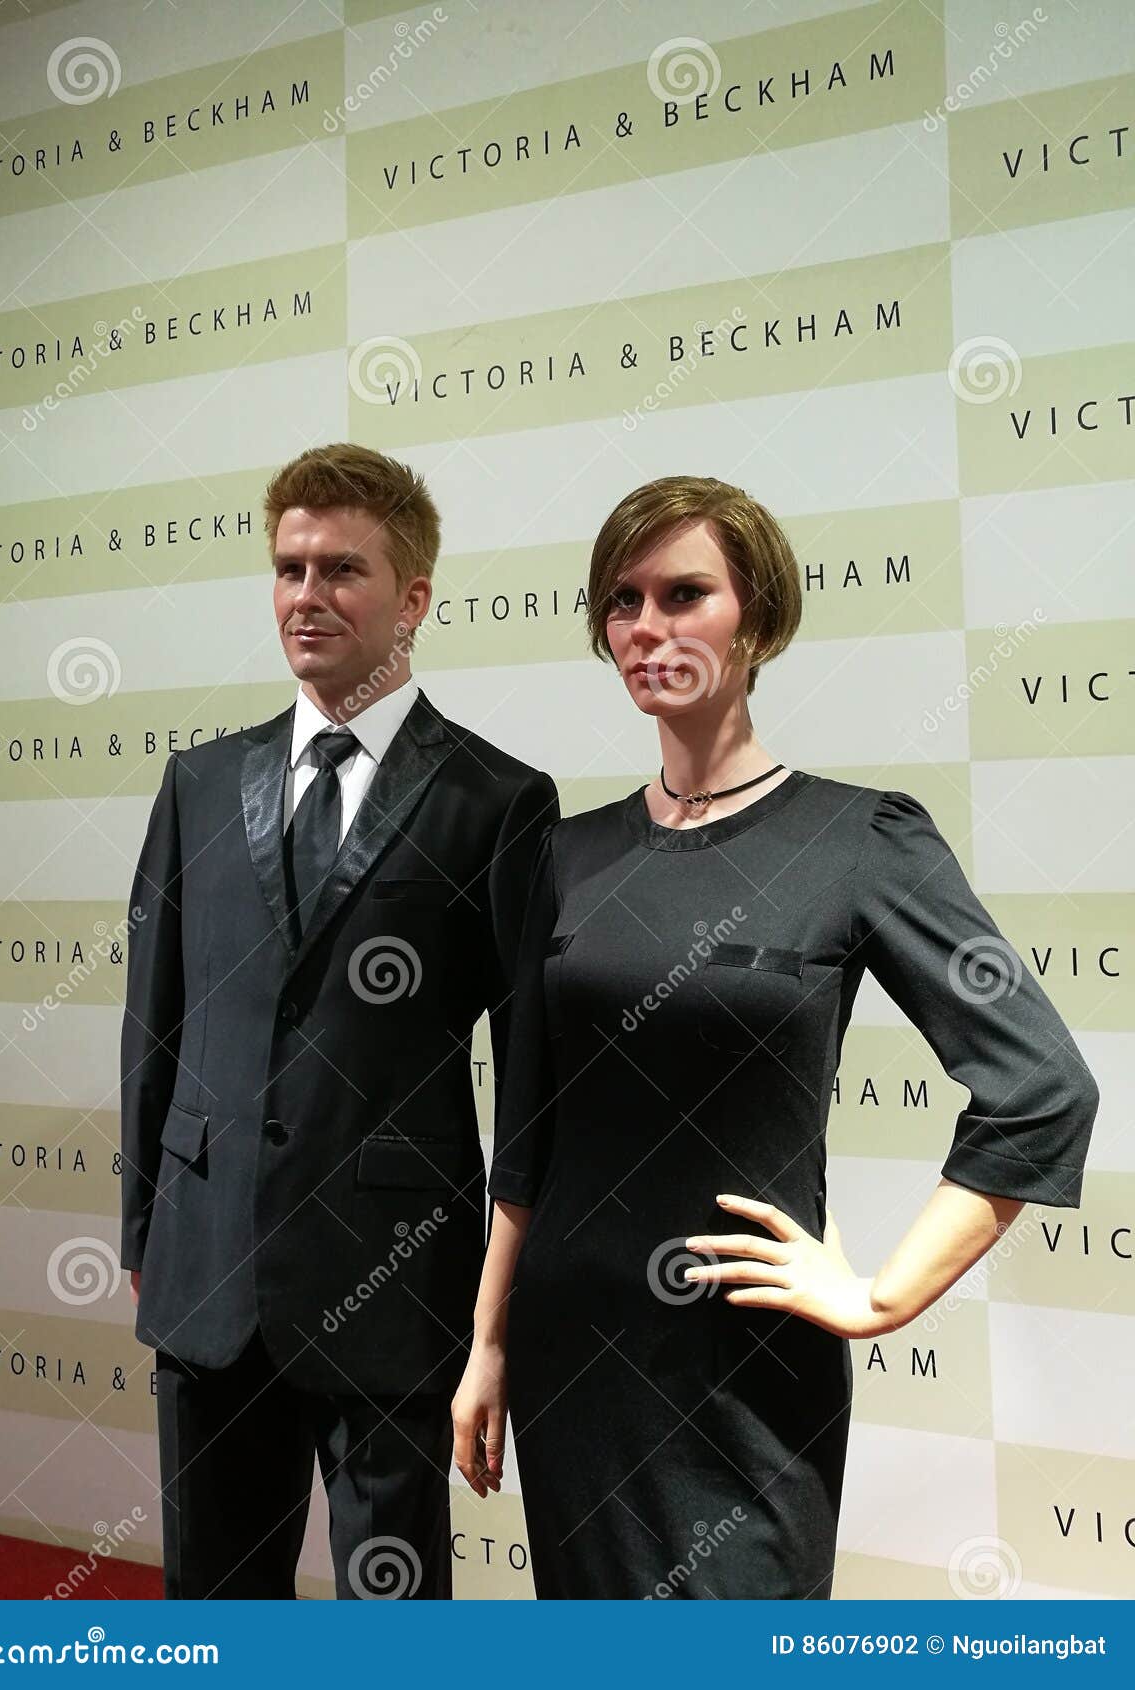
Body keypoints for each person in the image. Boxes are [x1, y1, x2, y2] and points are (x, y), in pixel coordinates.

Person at [451, 474, 1100, 1600]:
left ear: (757, 617)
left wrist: (882, 1298)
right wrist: (489, 1343)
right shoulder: (565, 857)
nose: (646, 625)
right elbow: (529, 1137)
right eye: (622, 600)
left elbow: (1042, 1085)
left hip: (745, 1372)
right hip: (574, 1360)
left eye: (684, 593)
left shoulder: (858, 841)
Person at [120, 443, 559, 1598]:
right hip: (207, 1276)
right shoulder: (199, 785)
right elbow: (153, 1024)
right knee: (214, 1616)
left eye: (341, 571)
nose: (306, 596)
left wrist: (496, 1308)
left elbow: (532, 1072)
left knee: (393, 1624)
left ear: (412, 599)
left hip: (396, 1290)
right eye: (290, 569)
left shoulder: (498, 801)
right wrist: (143, 1234)